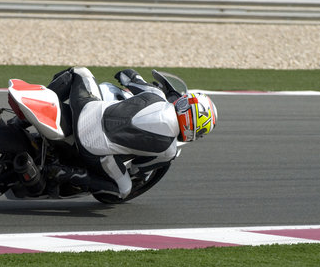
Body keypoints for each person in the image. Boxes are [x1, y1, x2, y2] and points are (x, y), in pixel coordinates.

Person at [46, 67, 217, 199]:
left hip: (85, 110)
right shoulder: (168, 151)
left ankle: (44, 99)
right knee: (124, 189)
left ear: (185, 103)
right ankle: (68, 173)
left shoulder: (156, 94)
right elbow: (138, 168)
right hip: (92, 146)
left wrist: (127, 74)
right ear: (196, 129)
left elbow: (128, 77)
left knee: (79, 72)